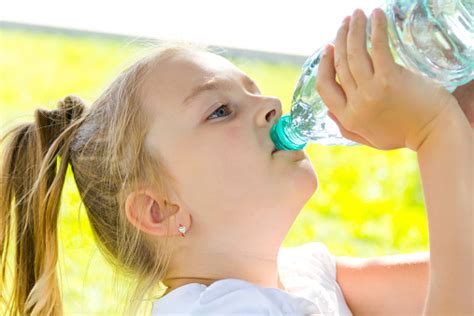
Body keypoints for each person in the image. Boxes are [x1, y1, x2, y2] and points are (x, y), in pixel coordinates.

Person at [0, 7, 472, 316]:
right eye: (220, 110)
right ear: (159, 211)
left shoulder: (305, 275)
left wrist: (459, 107)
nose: (271, 103)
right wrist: (434, 133)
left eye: (253, 89)